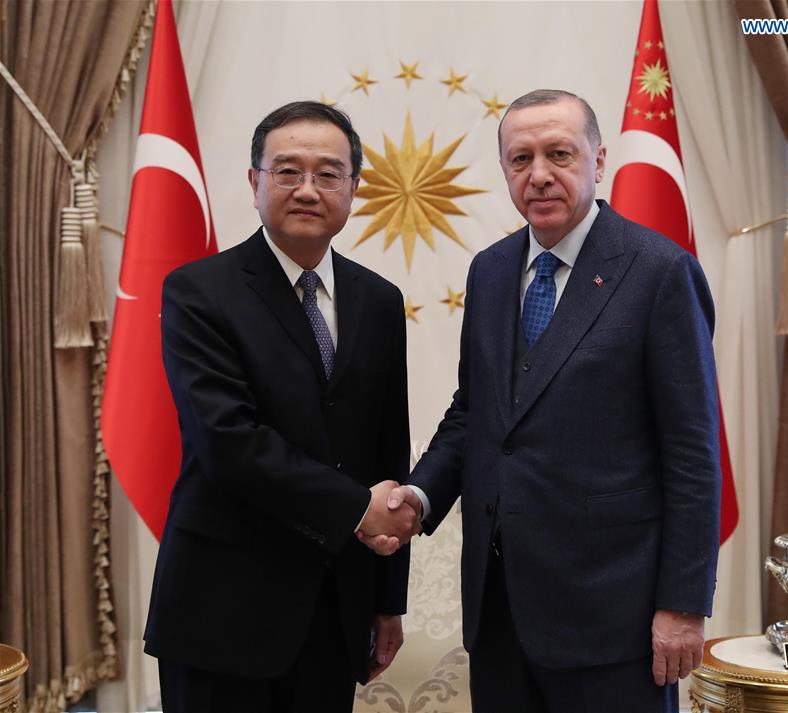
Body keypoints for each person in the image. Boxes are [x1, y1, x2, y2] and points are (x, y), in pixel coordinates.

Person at [362, 89, 721, 712]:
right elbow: (476, 413)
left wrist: (683, 605)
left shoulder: (660, 271)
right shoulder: (491, 271)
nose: (540, 175)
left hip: (615, 618)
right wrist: (419, 496)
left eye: (559, 154)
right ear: (505, 170)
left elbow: (692, 453)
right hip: (500, 609)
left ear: (598, 160)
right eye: (521, 159)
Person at [144, 101, 419, 713]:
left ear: (354, 187)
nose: (307, 189)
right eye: (287, 171)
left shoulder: (379, 301)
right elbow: (228, 441)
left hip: (335, 608)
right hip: (222, 609)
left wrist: (385, 600)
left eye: (328, 174)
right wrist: (357, 508)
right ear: (254, 181)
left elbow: (386, 450)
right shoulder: (198, 291)